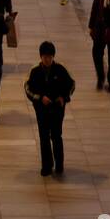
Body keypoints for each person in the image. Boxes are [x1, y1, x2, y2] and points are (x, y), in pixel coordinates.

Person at [24, 41, 75, 176]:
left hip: (57, 110)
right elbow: (28, 89)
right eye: (45, 57)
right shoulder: (35, 71)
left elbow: (71, 85)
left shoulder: (60, 69)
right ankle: (46, 166)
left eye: (50, 57)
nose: (47, 59)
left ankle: (59, 164)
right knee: (44, 137)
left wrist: (63, 97)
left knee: (57, 136)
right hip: (41, 110)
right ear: (41, 57)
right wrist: (40, 98)